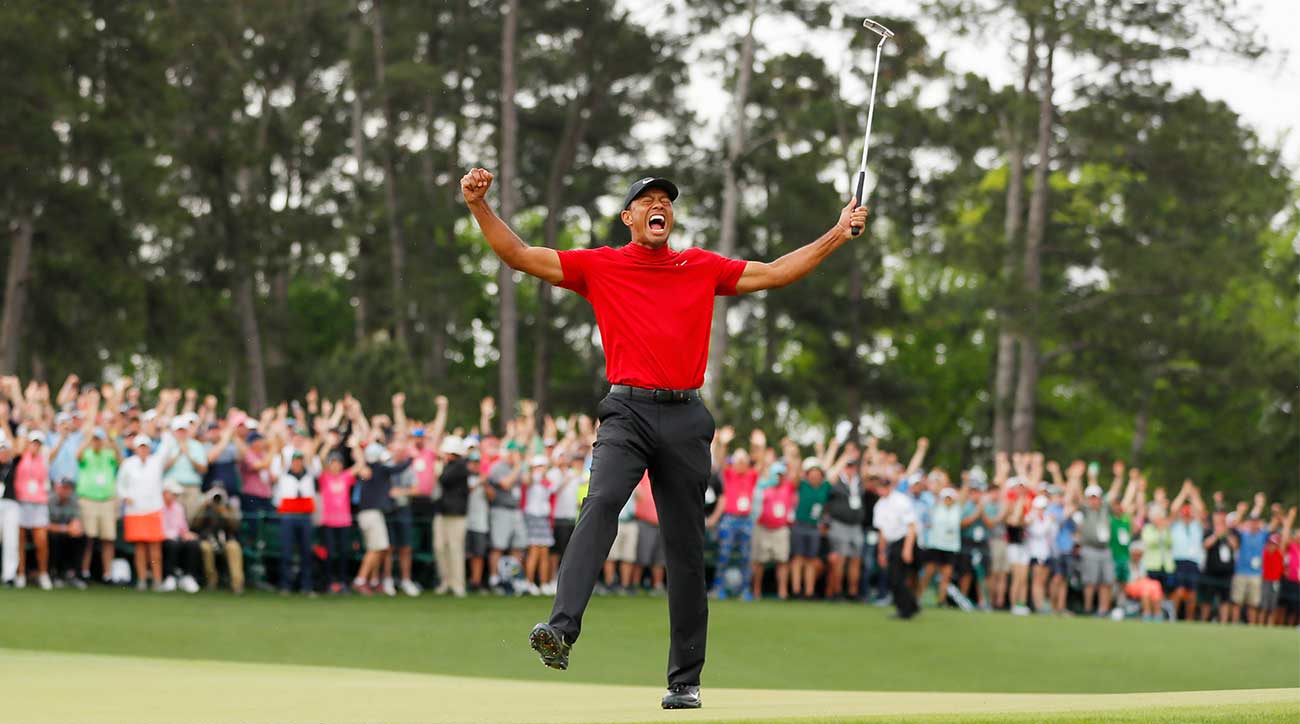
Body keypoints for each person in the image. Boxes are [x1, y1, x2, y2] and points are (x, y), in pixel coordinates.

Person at [463, 167, 868, 710]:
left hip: (685, 418)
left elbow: (773, 273)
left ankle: (684, 681)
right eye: (646, 201)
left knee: (685, 548)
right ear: (629, 217)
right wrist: (479, 205)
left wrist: (838, 231)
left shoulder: (698, 266)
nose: (659, 207)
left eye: (665, 202)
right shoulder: (601, 265)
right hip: (626, 412)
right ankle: (560, 630)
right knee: (601, 502)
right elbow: (519, 254)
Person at [707, 429, 763, 601]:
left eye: (743, 460)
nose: (740, 463)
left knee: (745, 557)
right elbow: (721, 460)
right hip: (729, 519)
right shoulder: (729, 474)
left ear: (747, 462)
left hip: (746, 521)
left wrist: (758, 445)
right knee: (724, 555)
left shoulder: (751, 476)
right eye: (737, 460)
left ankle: (745, 590)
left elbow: (759, 463)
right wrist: (723, 443)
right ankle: (719, 588)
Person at [117, 434, 166, 590]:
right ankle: (142, 579)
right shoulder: (128, 464)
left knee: (155, 548)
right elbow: (120, 485)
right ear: (136, 448)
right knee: (140, 547)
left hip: (153, 509)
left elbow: (167, 447)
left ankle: (158, 579)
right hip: (135, 510)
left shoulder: (156, 462)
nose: (143, 449)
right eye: (141, 446)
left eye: (146, 446)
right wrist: (126, 497)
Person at [75, 426, 121, 583]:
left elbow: (120, 460)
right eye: (94, 439)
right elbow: (78, 455)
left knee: (108, 538)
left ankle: (107, 574)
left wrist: (111, 440)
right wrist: (88, 439)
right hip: (88, 499)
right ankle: (84, 572)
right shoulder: (86, 453)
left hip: (107, 500)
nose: (96, 442)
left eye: (98, 439)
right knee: (88, 538)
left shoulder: (108, 454)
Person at [751, 455, 797, 601]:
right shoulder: (763, 486)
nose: (780, 477)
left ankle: (782, 592)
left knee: (782, 560)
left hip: (781, 528)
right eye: (777, 474)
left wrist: (791, 454)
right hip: (763, 527)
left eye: (782, 474)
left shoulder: (788, 487)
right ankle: (756, 591)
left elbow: (795, 473)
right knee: (759, 561)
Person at [874, 472, 919, 619]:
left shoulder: (901, 501)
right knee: (895, 577)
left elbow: (911, 527)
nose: (882, 489)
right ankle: (912, 605)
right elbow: (882, 532)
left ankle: (905, 610)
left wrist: (907, 549)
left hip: (905, 540)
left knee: (896, 577)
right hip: (893, 543)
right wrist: (881, 552)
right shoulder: (879, 505)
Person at [273, 451, 317, 596]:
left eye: (300, 460)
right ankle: (285, 585)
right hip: (288, 516)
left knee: (306, 552)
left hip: (305, 516)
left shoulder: (309, 475)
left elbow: (315, 461)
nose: (297, 463)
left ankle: (307, 586)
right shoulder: (284, 475)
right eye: (295, 461)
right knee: (287, 552)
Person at [486, 444, 528, 594]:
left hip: (516, 510)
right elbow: (505, 484)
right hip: (501, 510)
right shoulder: (498, 467)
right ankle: (494, 577)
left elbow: (527, 481)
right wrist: (517, 467)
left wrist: (521, 466)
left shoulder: (517, 467)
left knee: (519, 545)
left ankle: (512, 576)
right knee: (498, 545)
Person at [15, 430, 54, 589]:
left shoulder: (44, 460)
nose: (35, 446)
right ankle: (21, 574)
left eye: (38, 444)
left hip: (39, 503)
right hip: (22, 502)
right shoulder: (19, 457)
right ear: (28, 443)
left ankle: (43, 573)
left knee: (41, 541)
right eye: (33, 443)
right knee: (20, 540)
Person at [433, 435, 470, 597]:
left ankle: (457, 583)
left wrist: (440, 465)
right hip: (443, 512)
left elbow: (444, 479)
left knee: (455, 549)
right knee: (440, 547)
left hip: (456, 515)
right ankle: (446, 581)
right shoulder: (450, 465)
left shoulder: (460, 466)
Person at [790, 457, 829, 600]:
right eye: (812, 473)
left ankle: (809, 591)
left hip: (814, 527)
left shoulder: (825, 487)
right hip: (800, 525)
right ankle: (796, 590)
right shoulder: (802, 485)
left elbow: (832, 470)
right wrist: (794, 456)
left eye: (817, 473)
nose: (815, 476)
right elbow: (794, 476)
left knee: (811, 559)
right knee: (798, 558)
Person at [194, 487, 244, 594]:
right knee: (205, 547)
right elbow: (194, 524)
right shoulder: (205, 509)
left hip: (226, 541)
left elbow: (235, 527)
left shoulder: (228, 508)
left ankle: (237, 584)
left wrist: (225, 513)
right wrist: (203, 508)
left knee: (234, 547)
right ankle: (211, 581)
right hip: (208, 540)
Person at [1167, 481, 1206, 620]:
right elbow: (1173, 509)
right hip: (1179, 560)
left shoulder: (1197, 526)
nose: (1187, 517)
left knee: (1192, 593)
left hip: (1193, 562)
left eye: (1189, 515)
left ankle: (1189, 619)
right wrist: (1184, 492)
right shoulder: (1176, 526)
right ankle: (1173, 617)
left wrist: (1194, 494)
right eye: (1185, 515)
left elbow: (1201, 510)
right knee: (1179, 591)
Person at [160, 417, 208, 521]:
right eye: (179, 430)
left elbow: (203, 469)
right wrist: (178, 453)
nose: (181, 433)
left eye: (183, 430)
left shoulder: (196, 445)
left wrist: (189, 455)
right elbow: (161, 468)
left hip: (192, 487)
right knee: (173, 518)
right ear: (174, 431)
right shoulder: (166, 445)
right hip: (172, 488)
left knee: (192, 519)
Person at [522, 455, 557, 596]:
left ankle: (543, 583)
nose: (541, 469)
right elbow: (527, 481)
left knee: (544, 553)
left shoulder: (547, 480)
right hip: (532, 517)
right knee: (534, 552)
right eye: (539, 466)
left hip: (543, 518)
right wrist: (533, 471)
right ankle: (529, 583)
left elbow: (552, 488)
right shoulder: (531, 478)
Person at [1231, 498, 1269, 625]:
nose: (1254, 524)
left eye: (1256, 522)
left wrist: (1260, 505)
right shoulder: (1243, 534)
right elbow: (1234, 526)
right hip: (1241, 571)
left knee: (1253, 604)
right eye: (1252, 521)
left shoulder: (1262, 535)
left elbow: (1273, 527)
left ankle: (1252, 627)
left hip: (1256, 573)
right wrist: (1240, 512)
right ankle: (1234, 624)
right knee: (1237, 602)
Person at [160, 481, 202, 593]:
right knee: (172, 544)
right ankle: (169, 577)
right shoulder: (157, 506)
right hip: (162, 539)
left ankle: (188, 577)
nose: (175, 497)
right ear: (164, 493)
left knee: (193, 543)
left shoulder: (178, 507)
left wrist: (187, 534)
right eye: (173, 494)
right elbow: (157, 528)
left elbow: (183, 527)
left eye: (176, 494)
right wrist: (167, 535)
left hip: (177, 538)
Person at [47, 479, 87, 589]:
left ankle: (74, 574)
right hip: (53, 534)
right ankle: (54, 574)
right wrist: (65, 528)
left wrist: (74, 527)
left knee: (81, 537)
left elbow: (76, 523)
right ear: (57, 488)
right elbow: (46, 525)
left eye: (69, 488)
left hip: (68, 533)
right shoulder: (49, 501)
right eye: (63, 487)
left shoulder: (73, 502)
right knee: (54, 539)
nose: (66, 491)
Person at [1199, 509, 1237, 622]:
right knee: (1207, 599)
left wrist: (1226, 533)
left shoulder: (1230, 532)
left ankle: (1224, 623)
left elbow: (1235, 546)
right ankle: (1203, 621)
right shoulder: (1209, 530)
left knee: (1225, 599)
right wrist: (1216, 534)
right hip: (1211, 571)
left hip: (1226, 572)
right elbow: (1205, 545)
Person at [0, 439, 22, 586]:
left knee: (11, 541)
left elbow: (19, 451)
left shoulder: (13, 464)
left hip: (11, 504)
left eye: (6, 450)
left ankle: (9, 575)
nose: (4, 453)